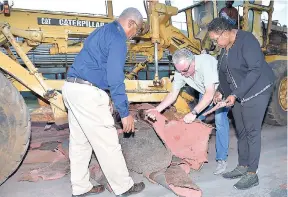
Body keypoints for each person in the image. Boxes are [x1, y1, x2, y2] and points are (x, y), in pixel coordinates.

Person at [62, 7, 145, 197]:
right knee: (108, 142)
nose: (134, 36)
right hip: (86, 93)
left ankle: (80, 187)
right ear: (131, 23)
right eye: (136, 30)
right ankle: (124, 186)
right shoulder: (118, 38)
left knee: (80, 143)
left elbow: (98, 67)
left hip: (71, 88)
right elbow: (115, 77)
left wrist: (104, 95)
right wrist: (124, 113)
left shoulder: (101, 31)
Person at [207, 17, 275, 190]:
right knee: (241, 131)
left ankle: (252, 173)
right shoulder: (225, 47)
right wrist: (221, 90)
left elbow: (255, 70)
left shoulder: (247, 40)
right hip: (238, 93)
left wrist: (235, 94)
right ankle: (242, 166)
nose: (216, 43)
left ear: (226, 32)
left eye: (216, 39)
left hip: (257, 89)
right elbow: (225, 72)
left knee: (252, 131)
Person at [146, 48, 230, 175]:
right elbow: (173, 94)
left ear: (193, 62)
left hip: (220, 90)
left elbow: (210, 93)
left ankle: (221, 159)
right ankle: (193, 154)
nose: (183, 74)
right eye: (180, 71)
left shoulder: (206, 62)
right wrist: (157, 110)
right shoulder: (181, 71)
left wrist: (194, 112)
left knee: (220, 120)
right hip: (205, 92)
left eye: (185, 70)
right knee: (196, 122)